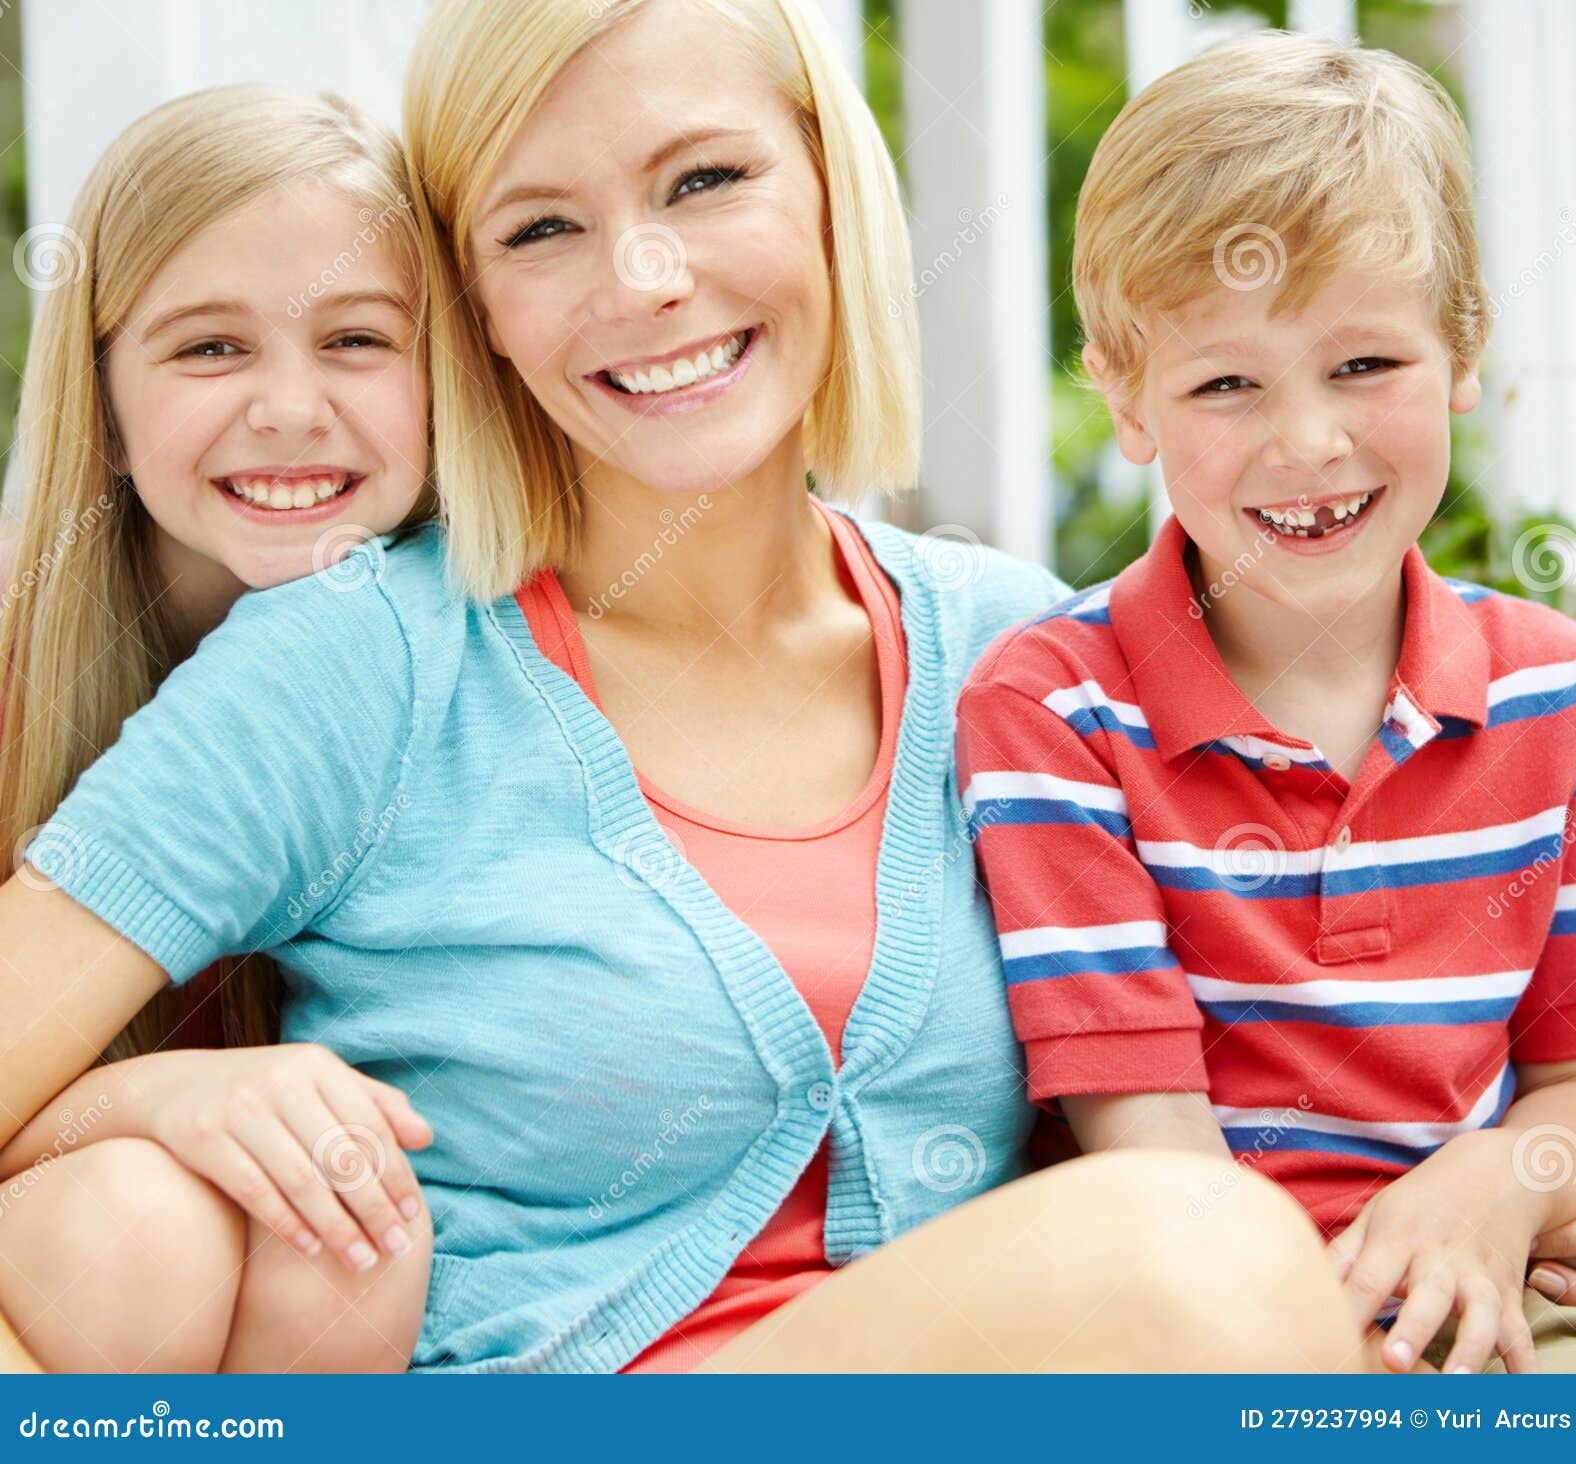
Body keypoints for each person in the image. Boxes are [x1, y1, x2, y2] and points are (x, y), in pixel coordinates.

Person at [0, 1, 1360, 1375]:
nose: (645, 279)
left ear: (835, 191)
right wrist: (146, 1103)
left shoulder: (1021, 655)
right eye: (541, 229)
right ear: (481, 316)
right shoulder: (360, 666)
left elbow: (1326, 1052)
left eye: (705, 182)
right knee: (1188, 1251)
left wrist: (1520, 1172)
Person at [955, 29, 1576, 1376]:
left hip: (1492, 1290)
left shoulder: (1562, 699)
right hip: (1200, 1326)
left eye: (1365, 366)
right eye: (1227, 383)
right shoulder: (1057, 713)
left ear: (1463, 348)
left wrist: (1499, 1181)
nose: (1309, 441)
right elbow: (1156, 1158)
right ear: (1127, 395)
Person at [0, 84, 438, 1373]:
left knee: (337, 1215)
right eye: (207, 349)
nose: (290, 408)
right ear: (106, 402)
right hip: (77, 1274)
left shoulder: (478, 672)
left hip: (306, 1323)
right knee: (142, 1222)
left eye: (357, 340)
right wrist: (156, 1097)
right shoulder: (21, 678)